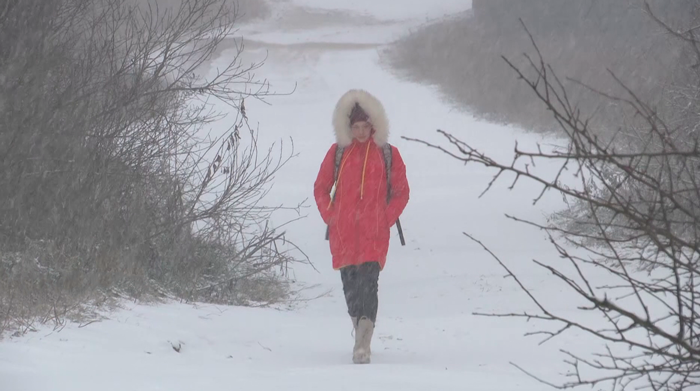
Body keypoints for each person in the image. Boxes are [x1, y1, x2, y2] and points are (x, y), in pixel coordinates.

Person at [313, 89, 410, 364]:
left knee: (369, 284)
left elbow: (401, 192)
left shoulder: (388, 154)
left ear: (373, 125)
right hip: (342, 234)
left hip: (373, 234)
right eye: (355, 127)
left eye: (365, 126)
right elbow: (321, 188)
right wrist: (330, 216)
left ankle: (363, 344)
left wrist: (385, 217)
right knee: (351, 289)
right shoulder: (338, 153)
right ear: (348, 127)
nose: (360, 132)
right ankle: (360, 331)